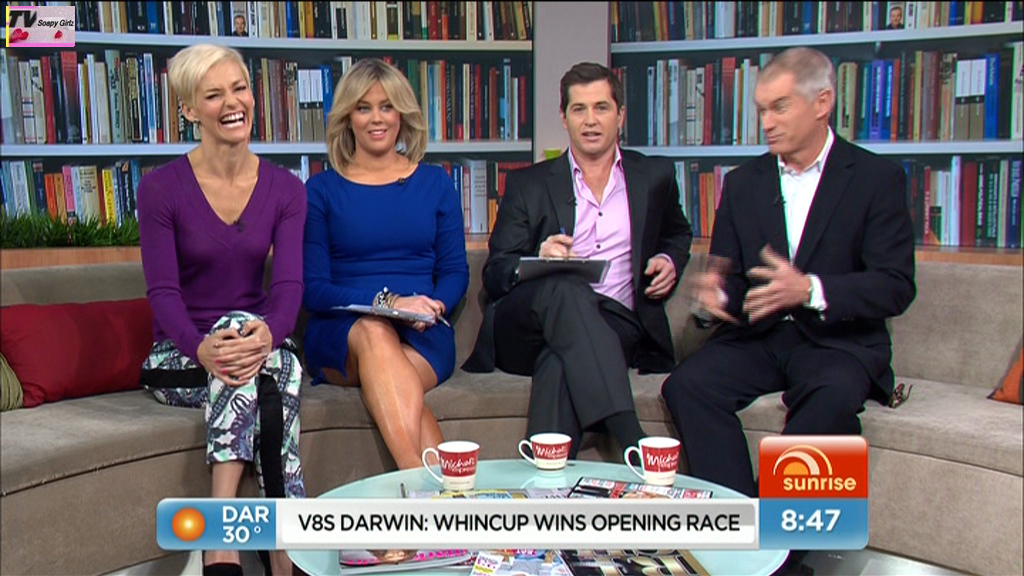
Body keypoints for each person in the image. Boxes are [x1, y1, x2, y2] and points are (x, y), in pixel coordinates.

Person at [661, 47, 916, 499]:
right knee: (687, 385)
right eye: (762, 110)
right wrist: (718, 299)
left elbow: (894, 286)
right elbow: (731, 279)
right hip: (759, 338)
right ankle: (739, 520)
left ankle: (778, 532)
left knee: (832, 395)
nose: (767, 122)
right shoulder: (743, 183)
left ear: (822, 103)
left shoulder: (876, 178)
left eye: (780, 107)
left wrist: (809, 289)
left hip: (838, 341)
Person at [463, 62, 693, 460]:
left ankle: (546, 481)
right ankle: (629, 434)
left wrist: (669, 258)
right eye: (579, 109)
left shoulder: (654, 176)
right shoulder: (529, 183)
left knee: (560, 362)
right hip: (528, 325)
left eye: (601, 107)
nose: (590, 120)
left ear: (620, 115)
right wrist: (538, 257)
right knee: (564, 286)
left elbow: (678, 233)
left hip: (613, 324)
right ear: (564, 117)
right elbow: (496, 273)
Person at [137, 44, 307, 576]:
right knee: (268, 372)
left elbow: (289, 287)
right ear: (189, 109)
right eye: (214, 95)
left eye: (240, 88)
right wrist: (202, 347)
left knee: (272, 365)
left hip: (256, 346)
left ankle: (225, 550)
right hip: (180, 355)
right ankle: (280, 554)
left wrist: (268, 335)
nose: (233, 103)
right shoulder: (160, 188)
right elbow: (163, 293)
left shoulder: (286, 189)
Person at [302, 58, 469, 470]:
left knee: (393, 379)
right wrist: (388, 303)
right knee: (375, 332)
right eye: (364, 108)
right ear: (348, 117)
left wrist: (433, 307)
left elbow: (454, 271)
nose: (376, 118)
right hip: (343, 332)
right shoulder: (320, 190)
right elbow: (314, 287)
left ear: (402, 115)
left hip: (422, 331)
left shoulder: (435, 183)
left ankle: (418, 500)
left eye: (387, 106)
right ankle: (423, 483)